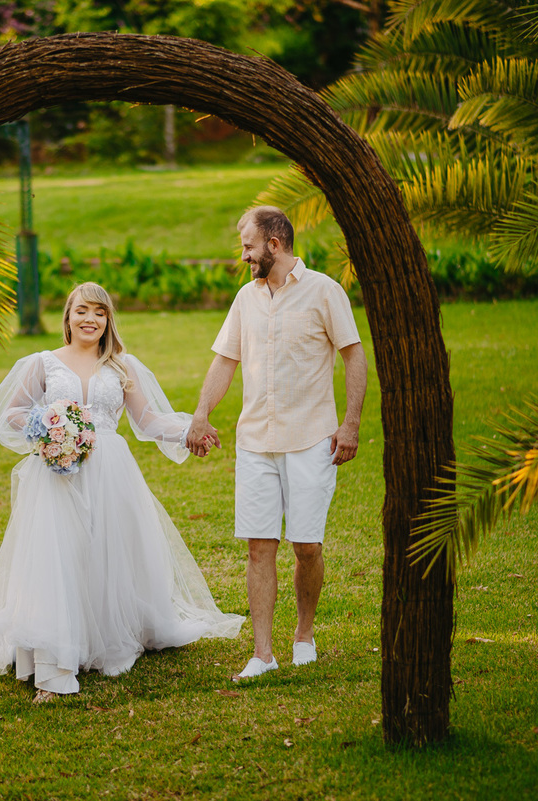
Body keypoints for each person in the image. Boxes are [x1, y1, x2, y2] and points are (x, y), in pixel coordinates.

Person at [0, 282, 244, 702]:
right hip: (57, 472)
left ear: (108, 320)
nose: (90, 320)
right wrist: (48, 427)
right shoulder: (44, 363)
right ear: (68, 317)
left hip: (111, 471)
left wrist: (188, 430)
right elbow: (11, 412)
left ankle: (100, 633)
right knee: (58, 556)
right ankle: (54, 662)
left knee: (105, 552)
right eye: (82, 311)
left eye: (99, 313)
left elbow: (147, 420)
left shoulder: (122, 366)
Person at [186, 206, 367, 681]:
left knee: (306, 546)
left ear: (274, 244)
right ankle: (262, 654)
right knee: (258, 547)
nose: (243, 255)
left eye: (248, 246)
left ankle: (303, 635)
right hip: (255, 442)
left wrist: (350, 424)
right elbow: (225, 360)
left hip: (311, 439)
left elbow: (354, 356)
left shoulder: (324, 291)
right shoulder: (245, 298)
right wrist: (202, 414)